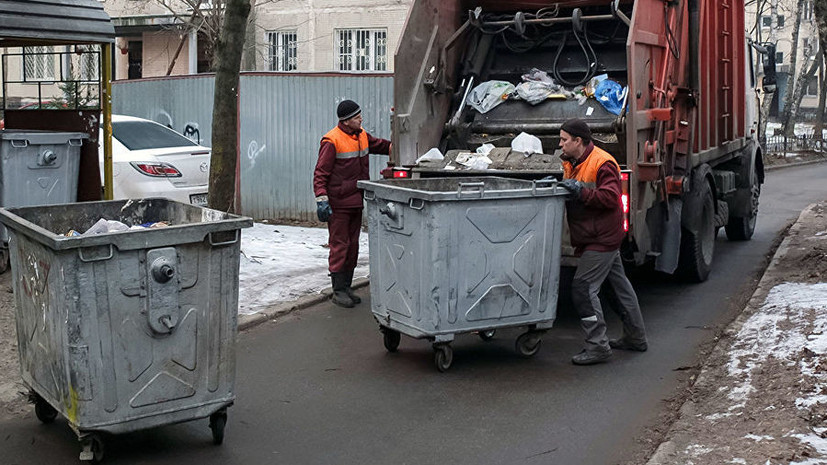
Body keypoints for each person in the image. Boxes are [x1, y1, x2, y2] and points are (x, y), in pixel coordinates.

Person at [557, 118, 647, 365]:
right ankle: (635, 337)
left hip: (601, 237)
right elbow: (575, 186)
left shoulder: (602, 162)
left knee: (583, 288)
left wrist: (580, 192)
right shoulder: (573, 161)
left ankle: (598, 346)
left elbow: (610, 197)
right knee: (619, 286)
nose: (560, 144)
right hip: (597, 235)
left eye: (564, 139)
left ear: (578, 141)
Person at [313, 100, 391, 308]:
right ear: (346, 121)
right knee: (340, 245)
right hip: (338, 203)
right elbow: (320, 173)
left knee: (353, 245)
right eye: (357, 117)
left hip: (356, 200)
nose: (361, 119)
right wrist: (322, 199)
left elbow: (380, 145)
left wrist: (397, 146)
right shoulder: (331, 141)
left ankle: (346, 286)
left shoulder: (361, 135)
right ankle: (338, 289)